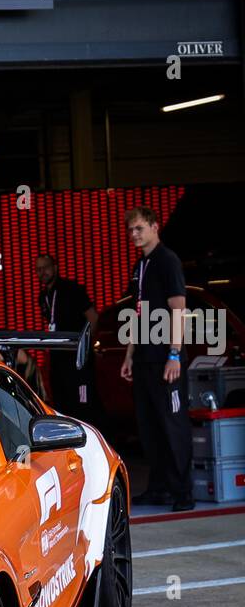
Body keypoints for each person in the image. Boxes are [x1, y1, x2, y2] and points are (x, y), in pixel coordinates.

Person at [119, 206, 193, 511]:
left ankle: (182, 492)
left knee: (173, 424)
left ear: (154, 226)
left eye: (139, 228)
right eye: (131, 230)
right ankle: (159, 488)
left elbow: (178, 309)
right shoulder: (141, 266)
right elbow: (137, 315)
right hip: (144, 360)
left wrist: (174, 354)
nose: (134, 235)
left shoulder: (167, 260)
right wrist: (129, 355)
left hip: (166, 360)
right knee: (149, 427)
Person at [36, 253, 98, 418]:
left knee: (82, 405)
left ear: (55, 267)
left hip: (77, 359)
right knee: (61, 403)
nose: (43, 272)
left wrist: (85, 347)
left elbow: (93, 318)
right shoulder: (43, 297)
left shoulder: (72, 289)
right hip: (58, 359)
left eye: (46, 268)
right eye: (39, 269)